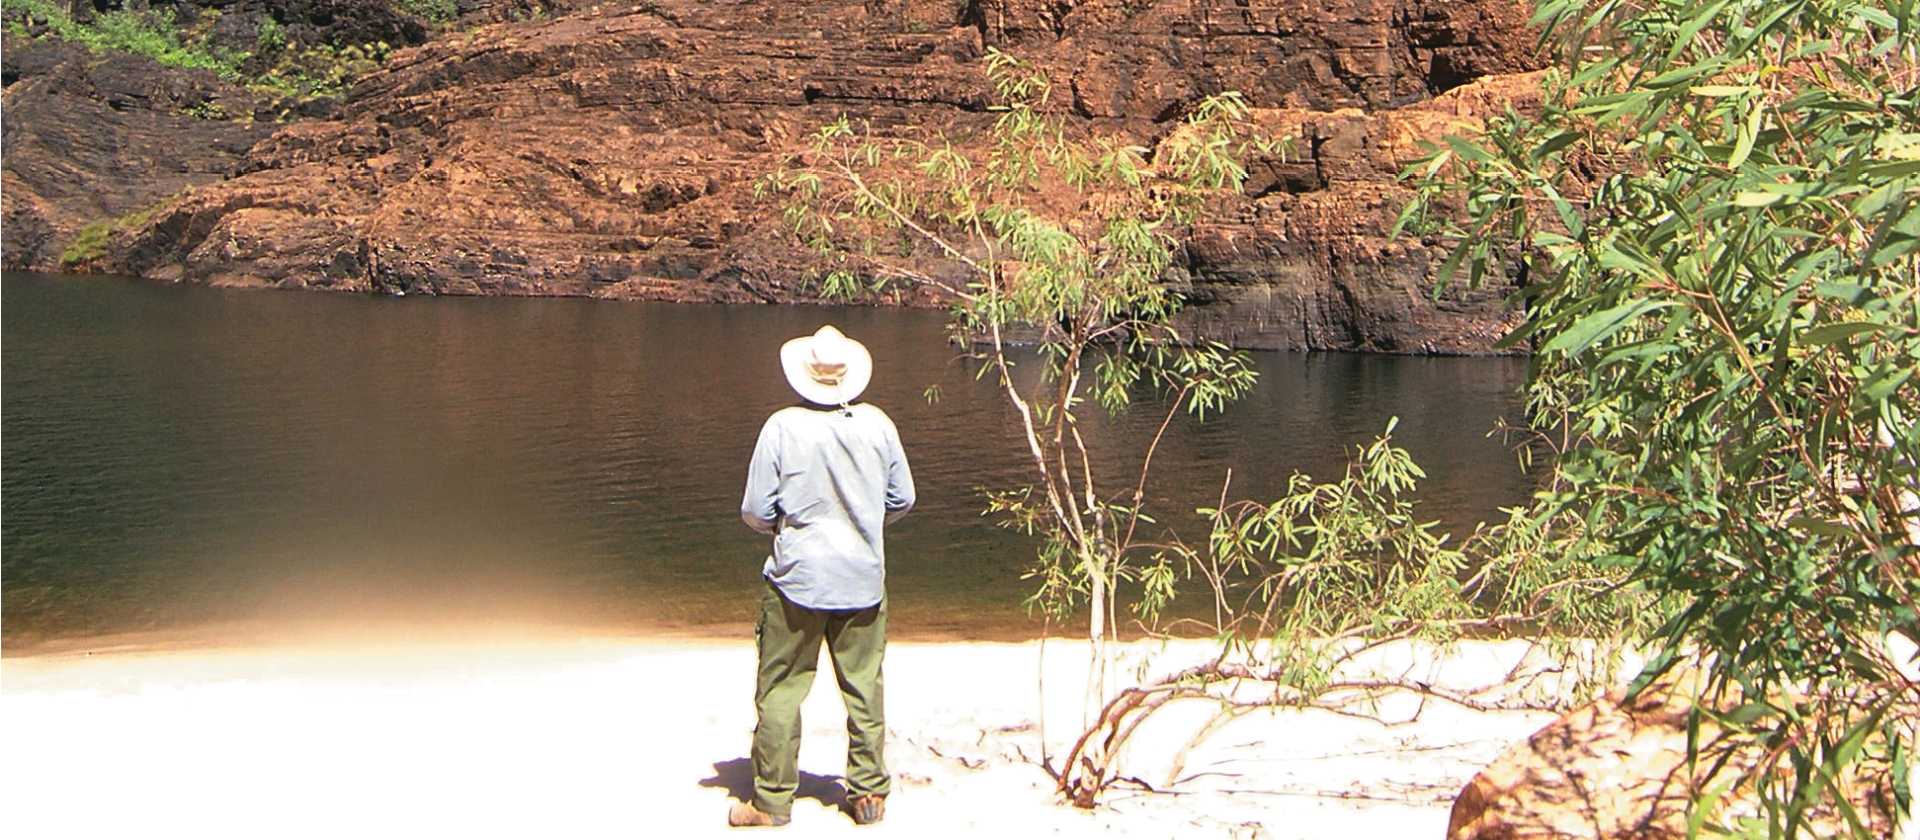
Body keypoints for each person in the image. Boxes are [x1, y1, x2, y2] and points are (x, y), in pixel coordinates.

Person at [730, 325, 915, 828]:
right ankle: (868, 791)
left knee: (781, 690)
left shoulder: (782, 427)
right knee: (864, 688)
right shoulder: (878, 424)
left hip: (798, 580)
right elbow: (902, 498)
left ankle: (772, 800)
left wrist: (784, 530)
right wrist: (865, 524)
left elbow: (755, 510)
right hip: (861, 579)